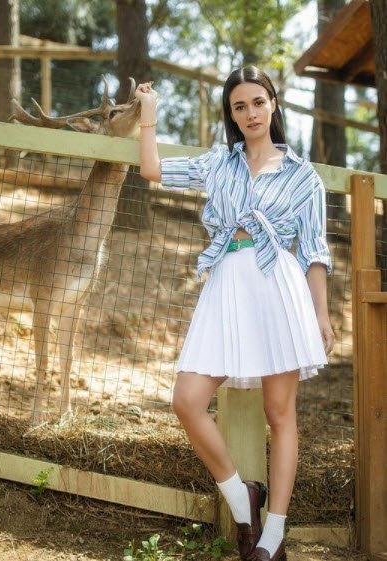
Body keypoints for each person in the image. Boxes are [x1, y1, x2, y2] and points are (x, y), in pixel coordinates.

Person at [134, 66, 335, 561]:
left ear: (274, 103)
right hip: (226, 283)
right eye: (239, 106)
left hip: (278, 286)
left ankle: (273, 534)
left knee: (279, 413)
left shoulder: (302, 176)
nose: (250, 113)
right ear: (231, 114)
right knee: (187, 399)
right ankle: (243, 499)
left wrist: (322, 314)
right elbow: (152, 170)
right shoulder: (218, 164)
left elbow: (314, 251)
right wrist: (148, 115)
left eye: (258, 102)